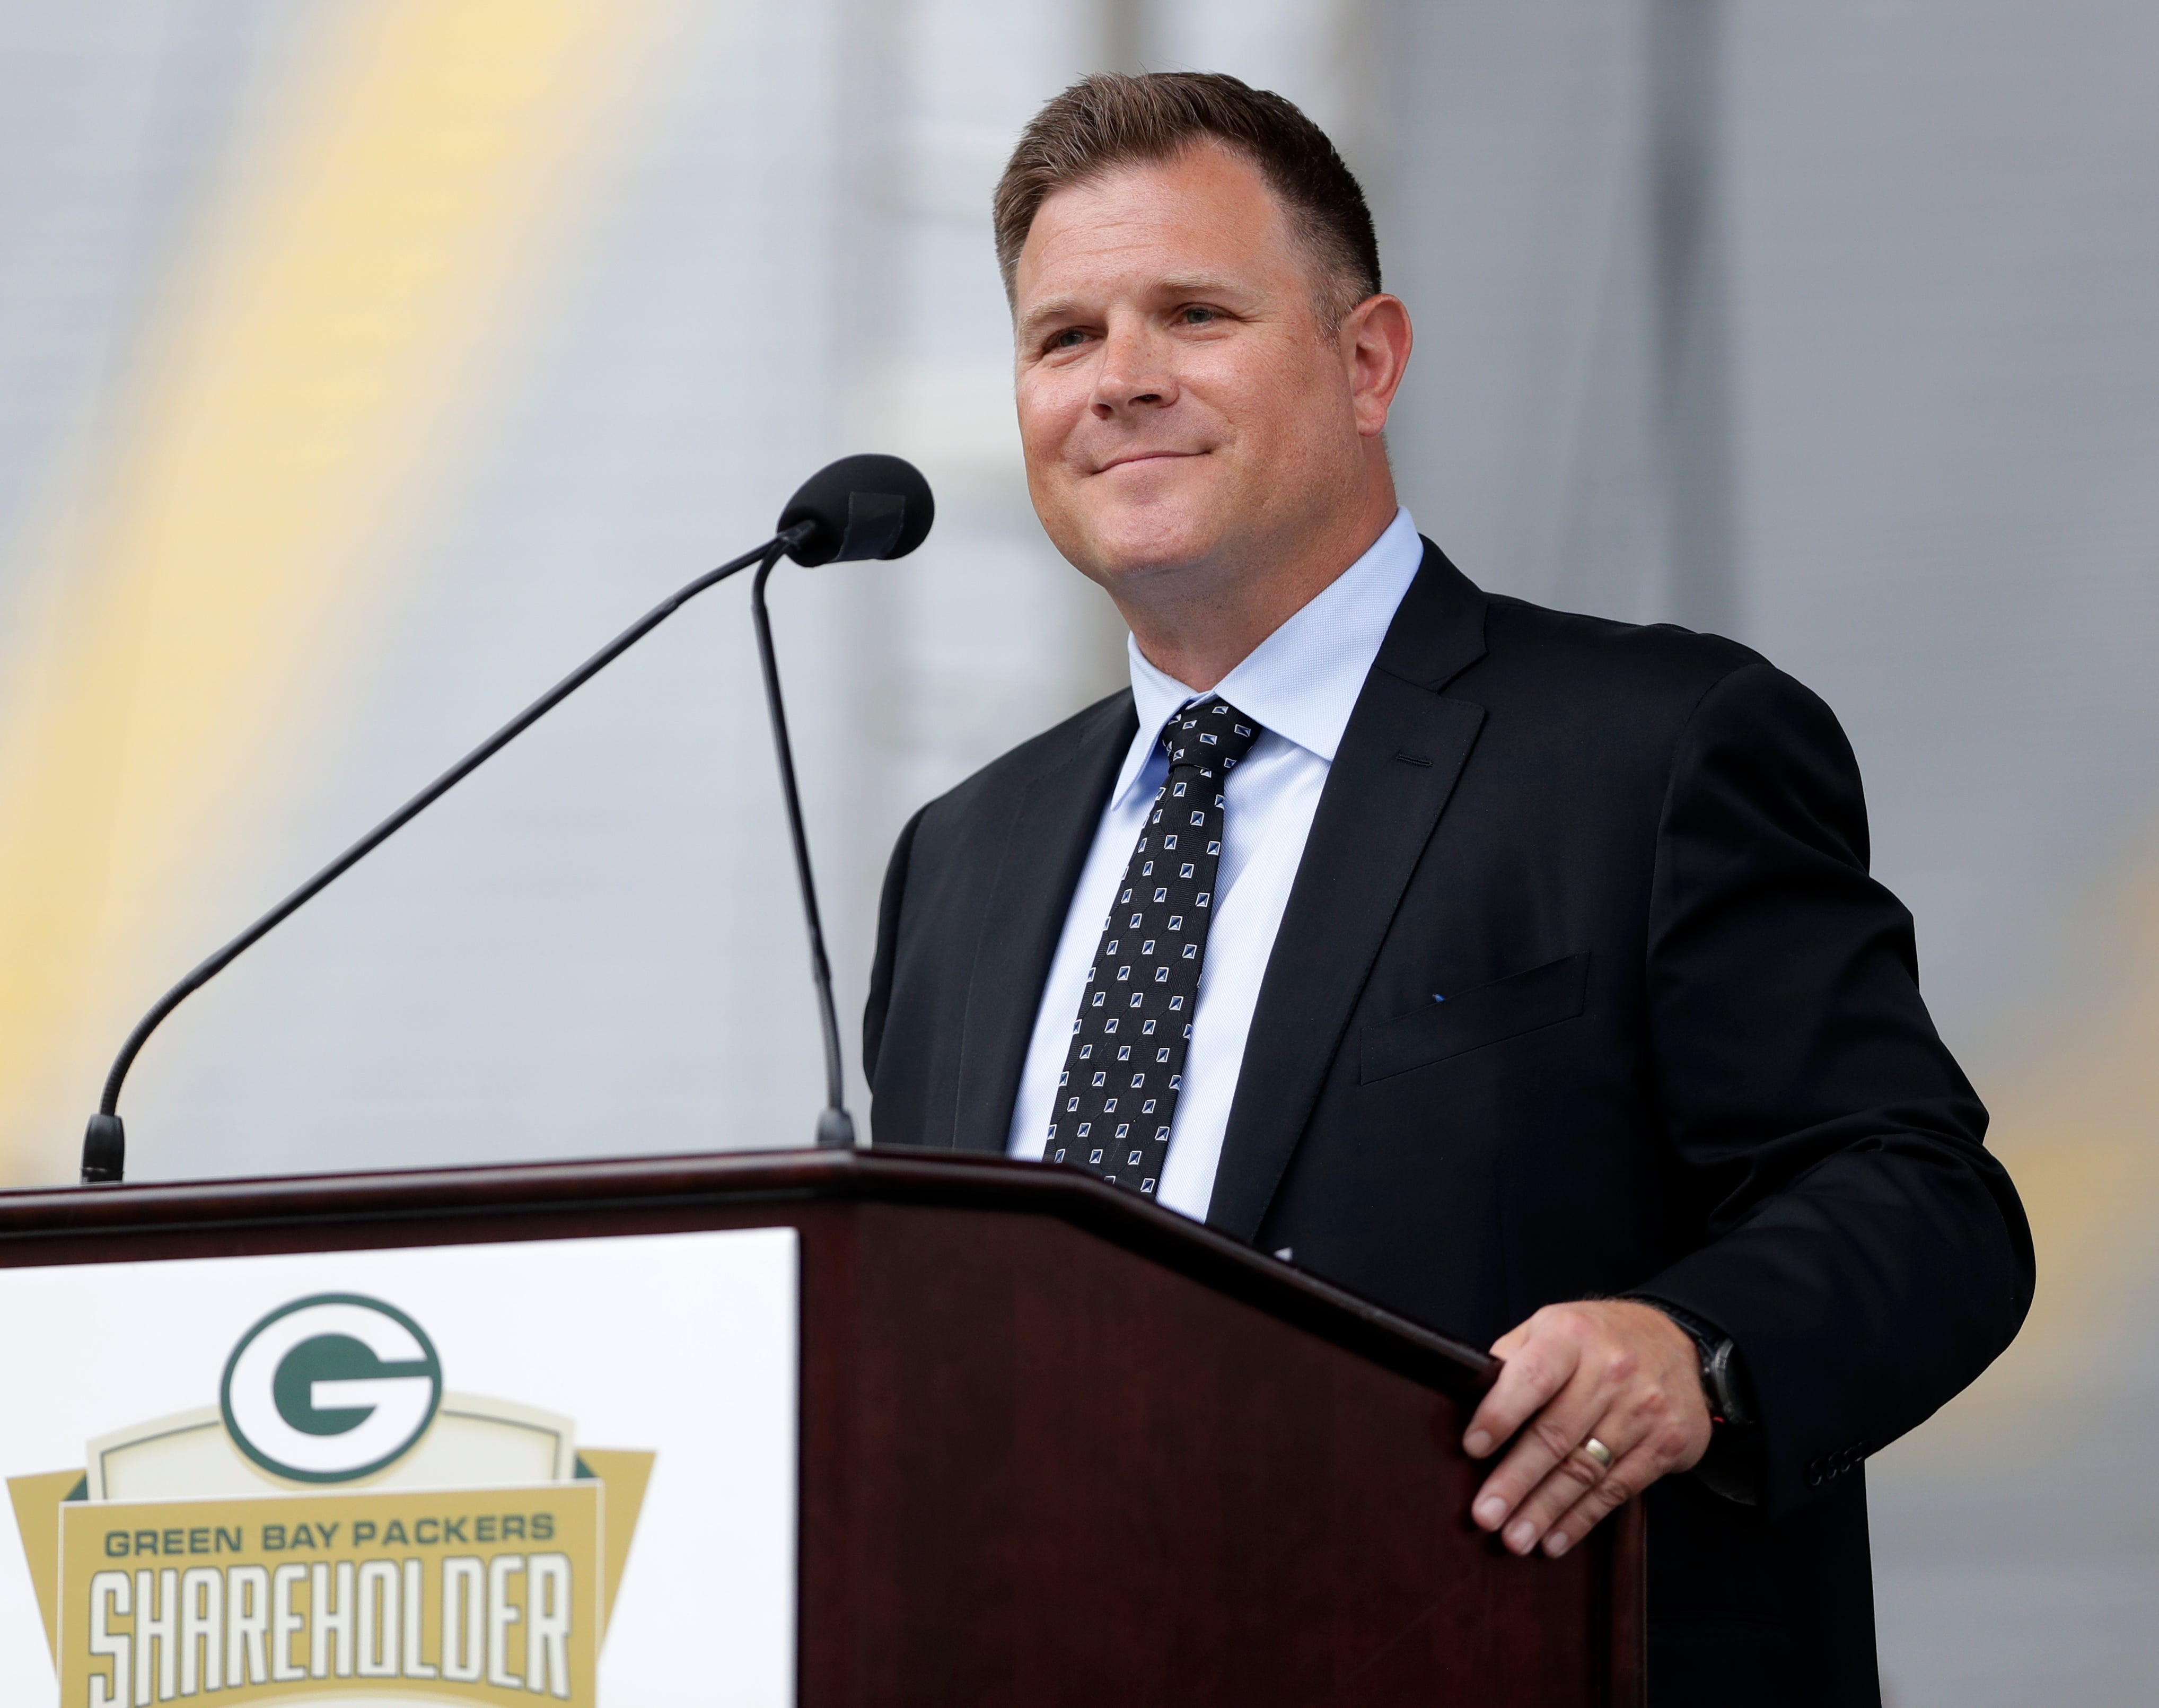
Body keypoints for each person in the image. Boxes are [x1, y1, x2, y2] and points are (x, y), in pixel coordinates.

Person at [862, 71, 2031, 1706]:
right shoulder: (962, 860)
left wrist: (1692, 1344)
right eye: (1064, 338)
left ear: (1366, 362)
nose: (1119, 381)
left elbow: (1926, 1205)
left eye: (1192, 313)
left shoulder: (1654, 750)